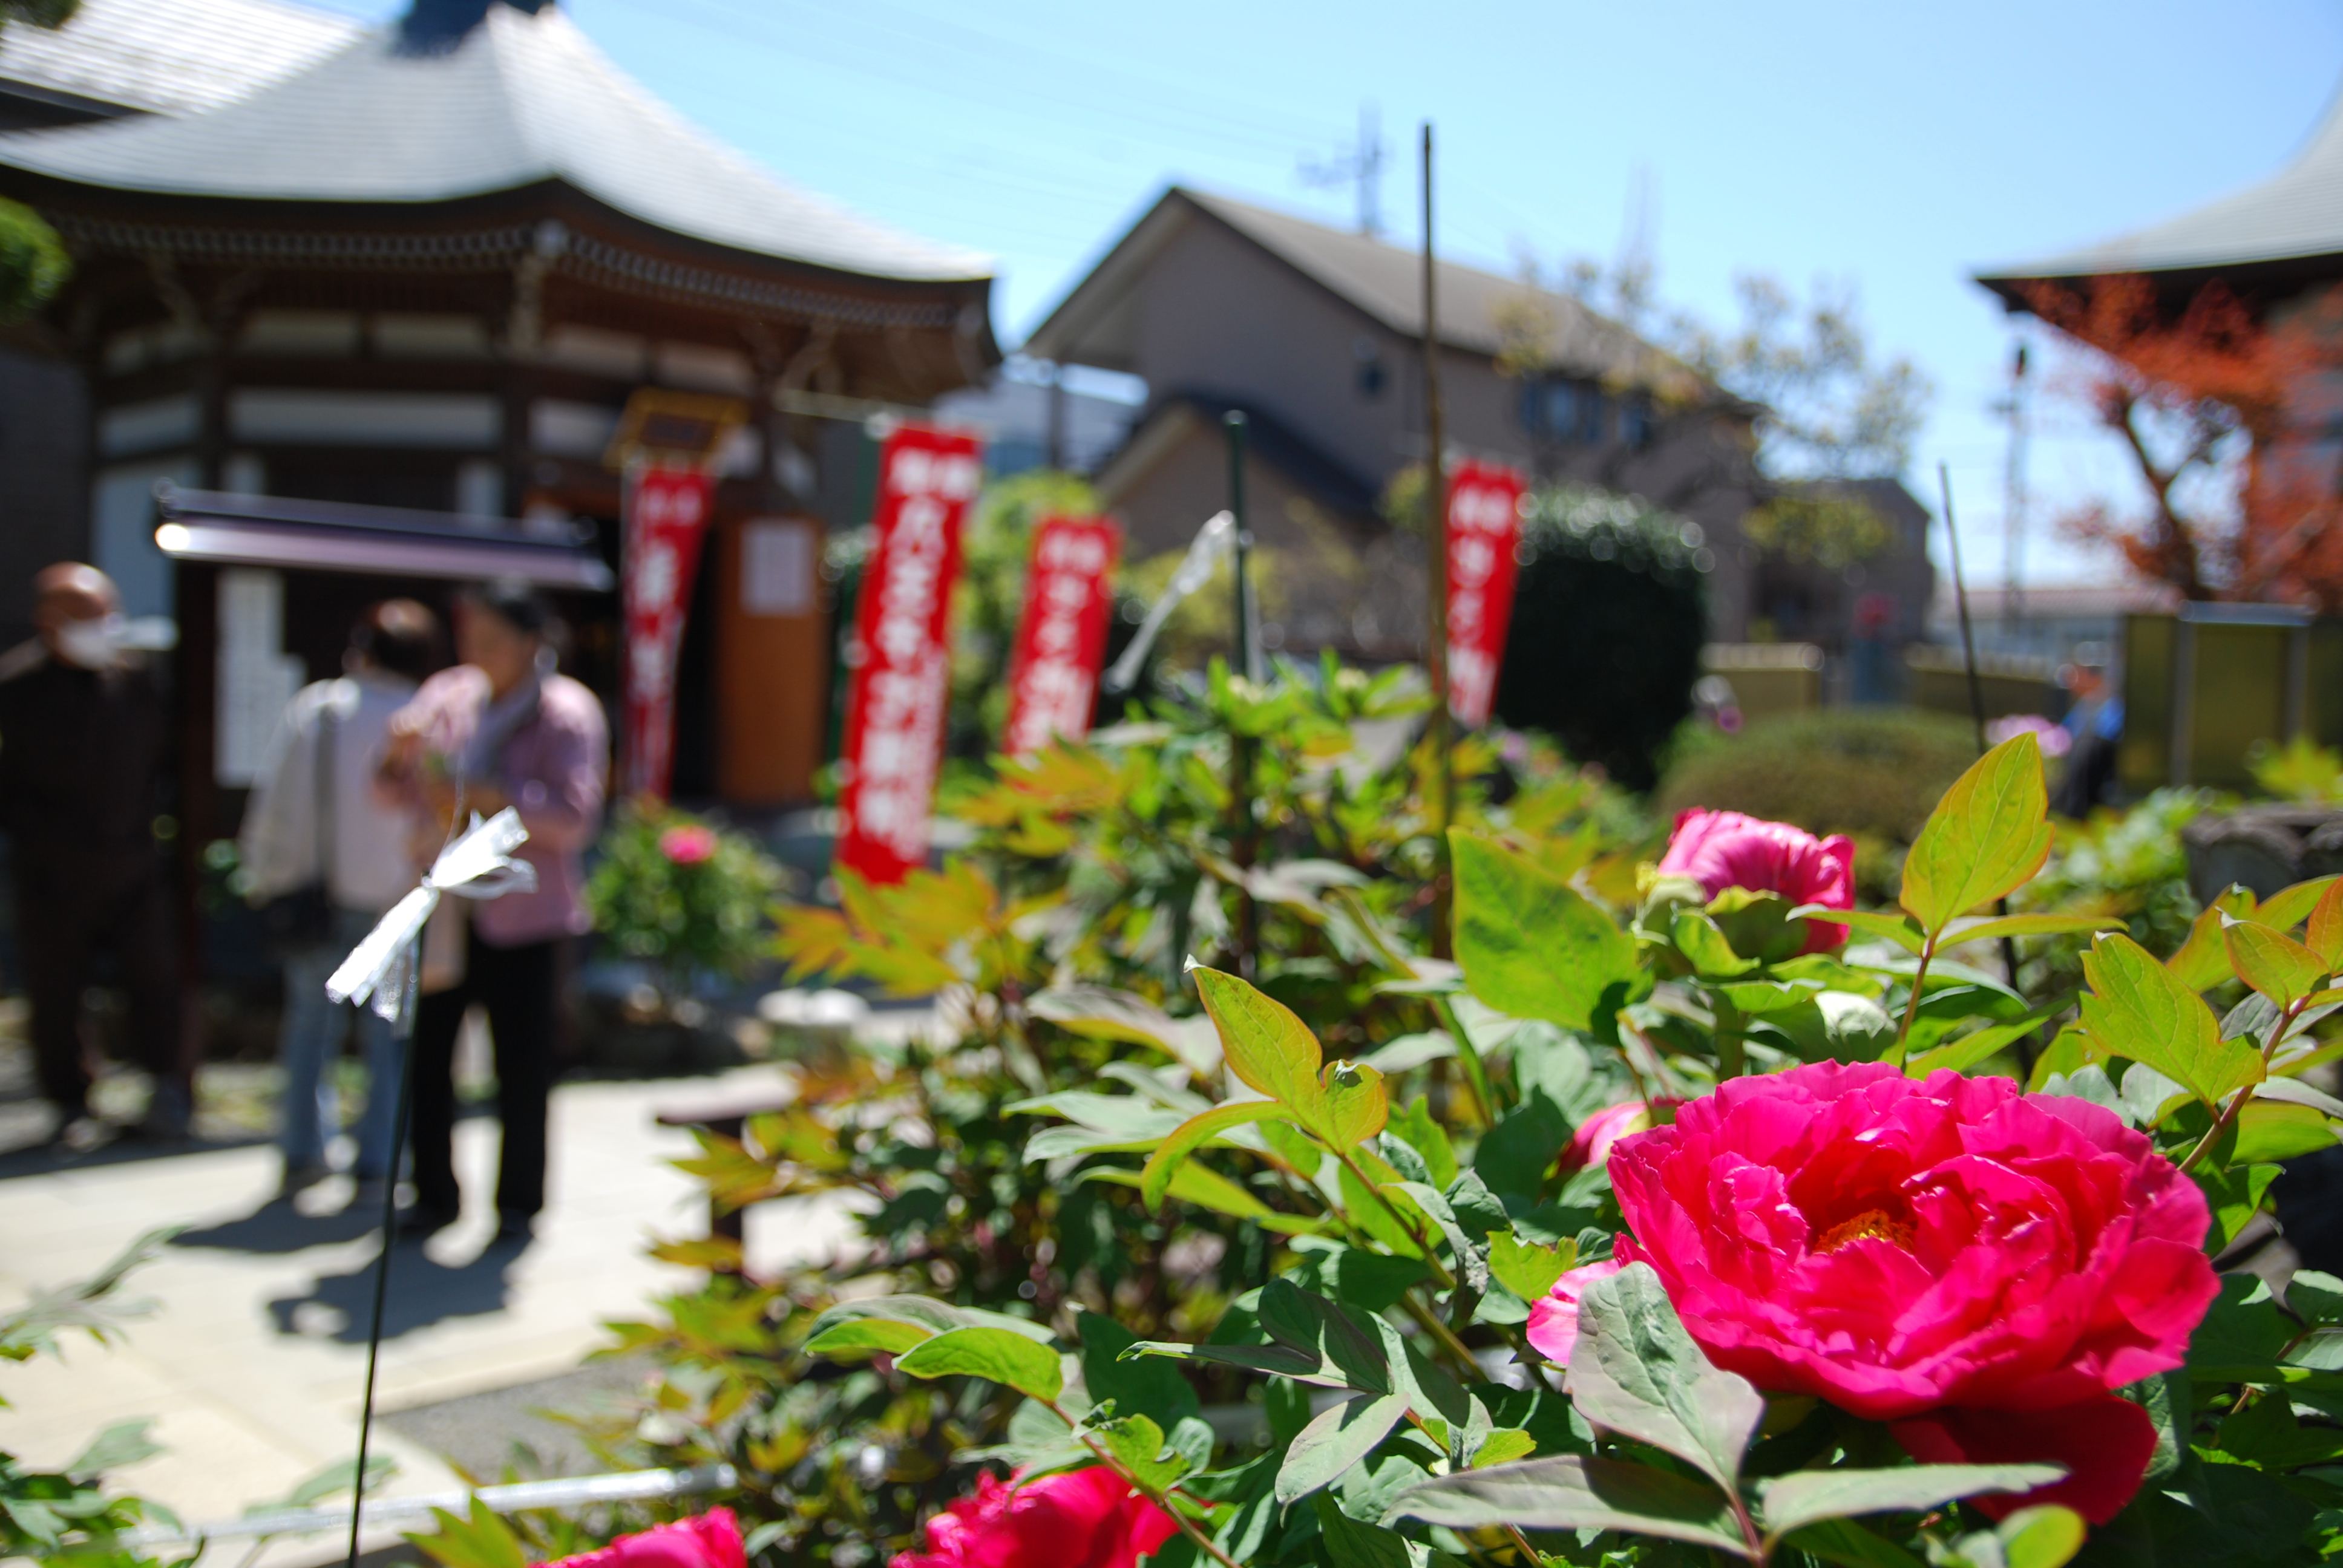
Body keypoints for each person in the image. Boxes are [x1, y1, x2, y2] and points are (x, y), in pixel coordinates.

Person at [378, 580, 605, 1240]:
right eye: (468, 638)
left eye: (490, 641)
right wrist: (397, 756)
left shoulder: (565, 712)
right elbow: (392, 793)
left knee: (522, 1065)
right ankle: (432, 1195)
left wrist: (496, 796)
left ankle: (517, 1206)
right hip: (447, 908)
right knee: (428, 1057)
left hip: (526, 914)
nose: (474, 651)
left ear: (529, 644)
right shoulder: (449, 695)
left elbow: (573, 817)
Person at [240, 601, 441, 1194]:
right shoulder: (425, 718)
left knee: (309, 1028)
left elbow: (279, 804)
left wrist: (264, 872)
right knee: (388, 1039)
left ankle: (303, 1151)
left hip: (320, 894)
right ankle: (378, 1158)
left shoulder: (323, 710)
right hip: (398, 902)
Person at [0, 563, 187, 1147]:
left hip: (131, 860)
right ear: (48, 621)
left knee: (154, 978)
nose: (103, 627)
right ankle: (68, 1101)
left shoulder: (133, 683)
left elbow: (165, 761)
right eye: (87, 617)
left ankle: (166, 1091)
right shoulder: (16, 689)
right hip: (51, 871)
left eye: (107, 614)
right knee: (57, 992)